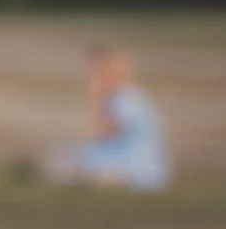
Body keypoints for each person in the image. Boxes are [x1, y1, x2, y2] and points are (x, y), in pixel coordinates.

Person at [44, 44, 171, 192]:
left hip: (133, 165)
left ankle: (107, 178)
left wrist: (96, 98)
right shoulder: (131, 94)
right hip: (145, 164)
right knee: (63, 157)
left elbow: (104, 134)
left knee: (61, 161)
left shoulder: (122, 97)